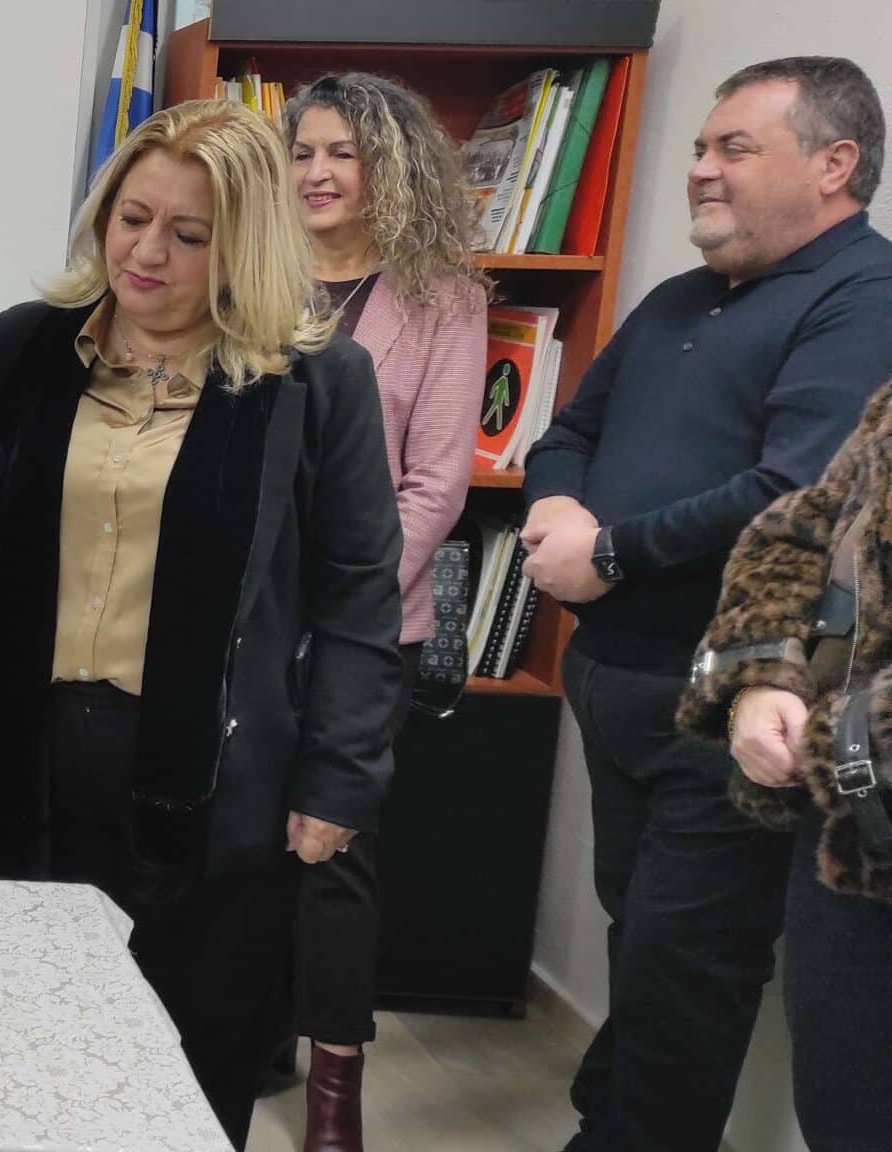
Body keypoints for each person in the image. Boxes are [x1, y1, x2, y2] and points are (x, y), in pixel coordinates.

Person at [0, 99, 405, 1148]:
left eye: (189, 235)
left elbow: (357, 589)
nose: (146, 253)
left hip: (210, 781)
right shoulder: (29, 347)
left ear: (244, 248)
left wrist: (339, 780)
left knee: (184, 1071)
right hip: (29, 761)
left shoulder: (314, 380)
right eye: (131, 218)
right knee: (20, 1056)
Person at [518, 55, 892, 1152]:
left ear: (834, 164)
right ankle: (610, 1119)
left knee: (687, 963)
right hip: (614, 678)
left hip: (734, 704)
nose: (700, 169)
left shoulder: (864, 300)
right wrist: (554, 510)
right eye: (697, 148)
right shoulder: (679, 298)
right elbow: (567, 432)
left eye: (734, 147)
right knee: (641, 934)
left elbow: (795, 492)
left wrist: (612, 552)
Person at [273, 70, 489, 1152]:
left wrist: (339, 599)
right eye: (301, 152)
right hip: (244, 619)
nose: (316, 173)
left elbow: (435, 486)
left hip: (363, 632)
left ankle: (334, 1092)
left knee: (334, 853)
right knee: (236, 834)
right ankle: (249, 1032)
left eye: (341, 153)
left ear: (389, 167)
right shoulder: (249, 274)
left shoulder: (443, 299)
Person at [681, 378, 892, 1152]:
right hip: (853, 848)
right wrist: (761, 675)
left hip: (848, 778)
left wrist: (845, 738)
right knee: (844, 1109)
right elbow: (798, 532)